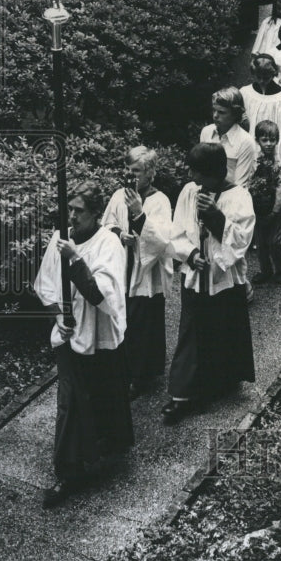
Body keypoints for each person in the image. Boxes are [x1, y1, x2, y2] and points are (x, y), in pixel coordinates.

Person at [34, 180, 133, 506]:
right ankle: (68, 472)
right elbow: (45, 284)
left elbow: (100, 294)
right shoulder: (61, 238)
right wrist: (58, 316)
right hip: (68, 334)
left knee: (104, 390)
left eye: (79, 211)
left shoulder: (109, 244)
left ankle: (111, 441)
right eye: (69, 210)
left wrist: (76, 261)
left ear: (96, 214)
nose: (72, 217)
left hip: (99, 332)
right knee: (71, 402)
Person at [163, 143, 256, 423]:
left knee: (221, 331)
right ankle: (182, 395)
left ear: (213, 173)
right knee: (191, 333)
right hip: (195, 277)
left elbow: (242, 239)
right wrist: (190, 255)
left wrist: (216, 216)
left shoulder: (238, 197)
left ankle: (220, 383)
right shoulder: (189, 191)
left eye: (196, 171)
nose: (191, 176)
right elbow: (176, 229)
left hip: (224, 279)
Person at [102, 146, 172, 399]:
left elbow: (163, 240)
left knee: (144, 323)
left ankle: (142, 375)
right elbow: (106, 224)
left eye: (137, 171)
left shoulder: (159, 200)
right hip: (123, 267)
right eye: (128, 170)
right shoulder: (119, 195)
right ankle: (125, 369)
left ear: (150, 172)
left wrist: (139, 214)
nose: (131, 176)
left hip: (146, 272)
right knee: (124, 319)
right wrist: (121, 235)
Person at [249, 119, 281, 286]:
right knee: (260, 243)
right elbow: (250, 182)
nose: (268, 144)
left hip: (276, 210)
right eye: (264, 140)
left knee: (274, 242)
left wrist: (274, 211)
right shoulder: (254, 160)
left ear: (277, 140)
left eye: (272, 140)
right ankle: (265, 270)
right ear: (257, 140)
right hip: (258, 209)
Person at [240, 53, 281, 160]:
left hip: (274, 147)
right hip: (249, 148)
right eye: (258, 77)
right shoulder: (245, 93)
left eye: (266, 78)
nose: (262, 81)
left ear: (273, 75)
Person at [200, 87, 257, 189]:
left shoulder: (246, 142)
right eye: (214, 110)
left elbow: (240, 186)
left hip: (231, 198)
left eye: (221, 112)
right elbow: (200, 170)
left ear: (235, 114)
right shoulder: (206, 132)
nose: (215, 116)